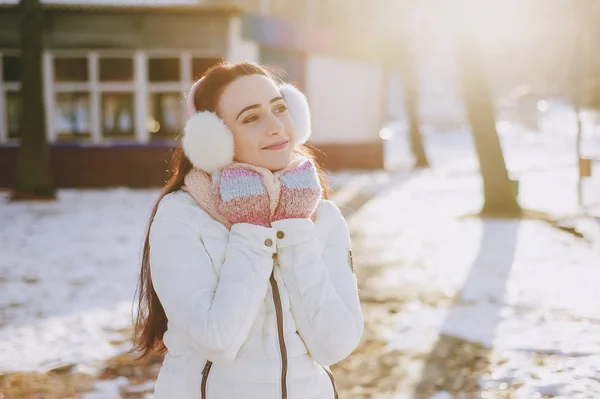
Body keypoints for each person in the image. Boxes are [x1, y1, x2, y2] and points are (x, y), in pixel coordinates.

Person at [133, 61, 364, 399]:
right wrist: (252, 227)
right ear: (214, 140)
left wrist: (294, 229)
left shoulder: (320, 215)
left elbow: (335, 344)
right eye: (251, 118)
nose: (276, 127)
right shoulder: (181, 217)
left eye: (280, 109)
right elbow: (217, 340)